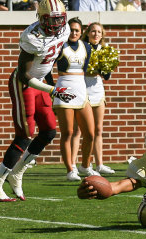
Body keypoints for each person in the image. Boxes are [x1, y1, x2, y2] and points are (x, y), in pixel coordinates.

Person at [0, 0, 74, 202]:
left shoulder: (65, 29)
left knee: (49, 131)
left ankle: (17, 172)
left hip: (41, 82)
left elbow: (50, 61)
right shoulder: (31, 37)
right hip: (23, 85)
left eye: (60, 19)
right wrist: (53, 89)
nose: (57, 24)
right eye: (52, 20)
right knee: (25, 134)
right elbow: (25, 76)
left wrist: (51, 86)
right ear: (41, 18)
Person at [52, 17, 99, 181]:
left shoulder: (86, 47)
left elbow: (84, 70)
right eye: (71, 29)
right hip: (63, 90)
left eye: (77, 30)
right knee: (68, 133)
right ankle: (70, 169)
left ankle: (85, 166)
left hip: (81, 90)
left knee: (90, 134)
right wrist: (54, 88)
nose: (73, 33)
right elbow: (46, 69)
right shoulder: (59, 46)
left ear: (81, 32)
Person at [70, 22, 116, 176]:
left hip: (97, 89)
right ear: (87, 33)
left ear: (102, 35)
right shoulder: (81, 47)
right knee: (77, 130)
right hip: (81, 88)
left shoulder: (105, 50)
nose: (96, 34)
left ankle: (100, 164)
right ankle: (73, 166)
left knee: (98, 129)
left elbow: (107, 76)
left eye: (99, 32)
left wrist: (105, 66)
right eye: (93, 31)